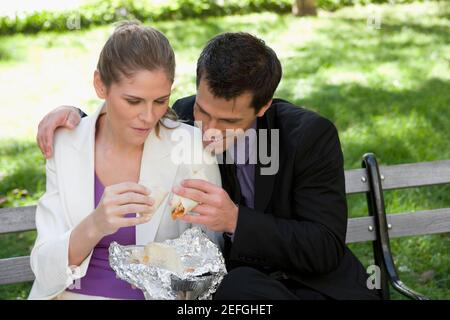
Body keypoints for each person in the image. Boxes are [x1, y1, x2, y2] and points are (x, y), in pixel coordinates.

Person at [36, 32, 379, 300]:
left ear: (262, 108)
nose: (209, 129)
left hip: (308, 287)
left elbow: (324, 248)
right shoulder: (184, 120)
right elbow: (133, 119)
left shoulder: (306, 137)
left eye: (228, 120)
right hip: (228, 291)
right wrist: (77, 118)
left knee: (237, 288)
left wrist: (235, 221)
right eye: (203, 111)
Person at [29, 22, 221, 300]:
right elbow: (45, 270)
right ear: (100, 85)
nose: (148, 116)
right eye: (133, 101)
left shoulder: (190, 146)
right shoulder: (66, 144)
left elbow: (208, 258)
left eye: (160, 100)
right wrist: (96, 223)